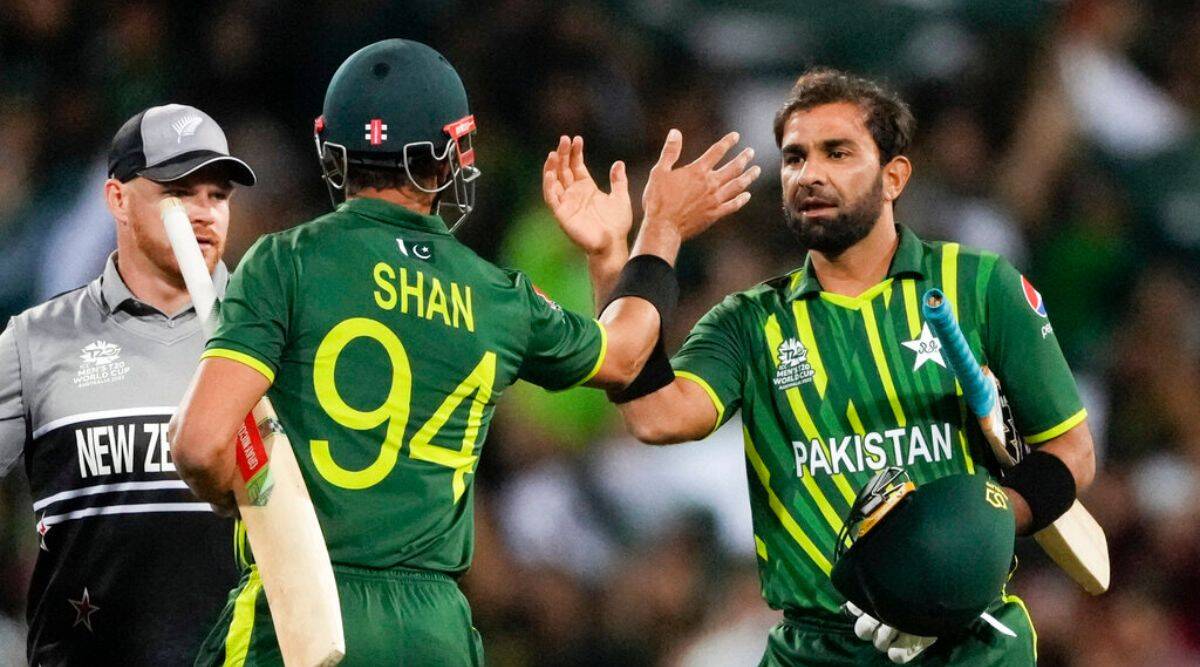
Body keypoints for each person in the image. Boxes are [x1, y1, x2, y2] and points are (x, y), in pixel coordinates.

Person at [169, 38, 757, 666]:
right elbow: (627, 356)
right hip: (435, 629)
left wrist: (237, 492)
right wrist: (642, 237)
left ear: (332, 149)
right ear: (449, 156)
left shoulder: (285, 262)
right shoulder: (495, 295)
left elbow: (200, 445)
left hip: (299, 610)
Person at [548, 68, 1096, 665]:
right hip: (816, 649)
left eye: (837, 153)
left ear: (894, 176)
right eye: (795, 157)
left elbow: (1072, 452)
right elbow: (655, 415)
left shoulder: (982, 286)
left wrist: (961, 546)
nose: (809, 174)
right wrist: (624, 251)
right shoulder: (750, 321)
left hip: (969, 644)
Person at [0, 104, 256, 665]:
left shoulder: (271, 337)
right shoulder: (38, 339)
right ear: (117, 199)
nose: (204, 213)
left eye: (218, 195)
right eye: (179, 193)